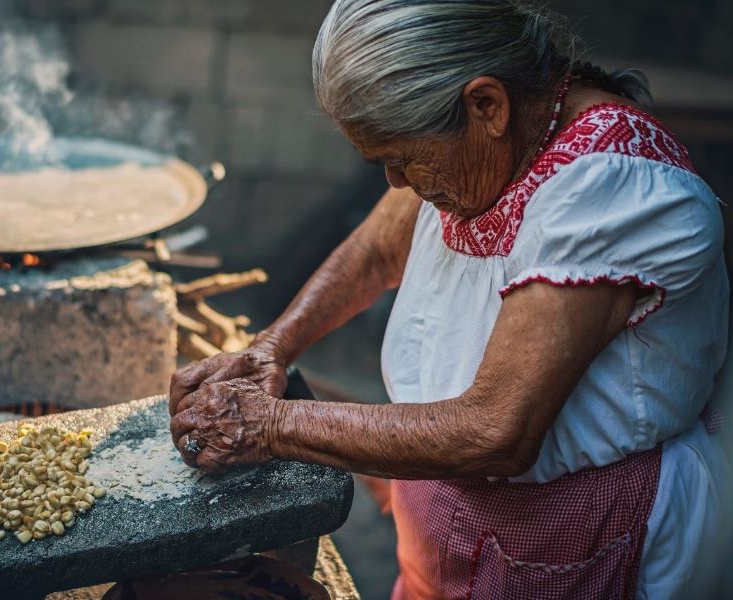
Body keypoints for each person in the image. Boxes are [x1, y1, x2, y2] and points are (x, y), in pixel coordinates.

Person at [169, 1, 730, 597]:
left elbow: (495, 432)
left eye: (401, 158)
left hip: (577, 540)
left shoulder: (610, 189)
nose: (395, 183)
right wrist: (271, 349)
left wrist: (273, 424)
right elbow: (377, 251)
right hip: (453, 531)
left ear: (486, 105)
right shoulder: (482, 145)